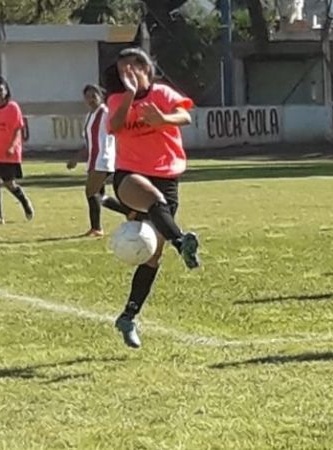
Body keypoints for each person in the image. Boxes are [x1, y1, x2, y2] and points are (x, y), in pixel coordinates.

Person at [105, 48, 200, 348]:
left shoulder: (162, 93)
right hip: (129, 175)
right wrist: (130, 96)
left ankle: (128, 317)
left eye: (132, 68)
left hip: (167, 175)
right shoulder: (118, 99)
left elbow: (185, 116)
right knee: (154, 200)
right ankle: (181, 242)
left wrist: (162, 118)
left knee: (151, 257)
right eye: (122, 70)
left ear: (146, 68)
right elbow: (115, 127)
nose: (127, 74)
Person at [67, 84, 130, 236]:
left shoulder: (106, 113)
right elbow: (89, 141)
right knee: (99, 195)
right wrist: (77, 157)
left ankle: (97, 228)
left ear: (100, 96)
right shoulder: (90, 116)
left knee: (91, 191)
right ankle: (130, 212)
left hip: (103, 158)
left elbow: (117, 129)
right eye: (87, 97)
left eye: (93, 96)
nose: (90, 99)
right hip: (94, 159)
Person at [0, 75, 34, 226]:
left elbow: (18, 129)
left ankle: (25, 202)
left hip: (9, 154)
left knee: (9, 183)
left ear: (6, 91)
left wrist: (12, 146)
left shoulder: (13, 108)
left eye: (0, 89)